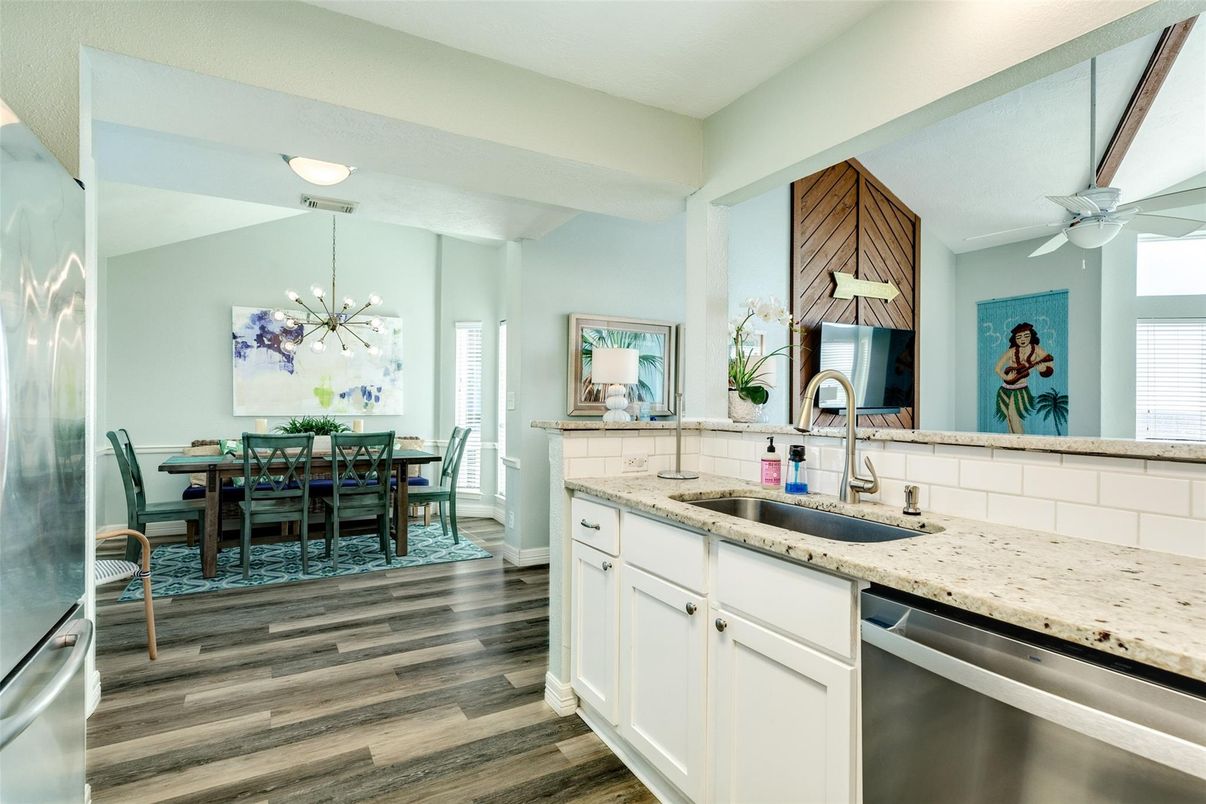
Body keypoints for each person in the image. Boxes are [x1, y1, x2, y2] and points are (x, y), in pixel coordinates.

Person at [993, 322, 1054, 434]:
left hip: (1020, 390)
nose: (1022, 339)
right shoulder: (1012, 351)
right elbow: (997, 368)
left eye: (1026, 336)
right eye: (1019, 337)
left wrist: (1043, 369)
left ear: (1031, 336)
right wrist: (1006, 377)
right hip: (1005, 389)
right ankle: (1012, 446)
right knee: (1009, 419)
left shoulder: (1036, 349)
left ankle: (1021, 444)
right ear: (1014, 339)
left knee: (1013, 415)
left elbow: (1050, 364)